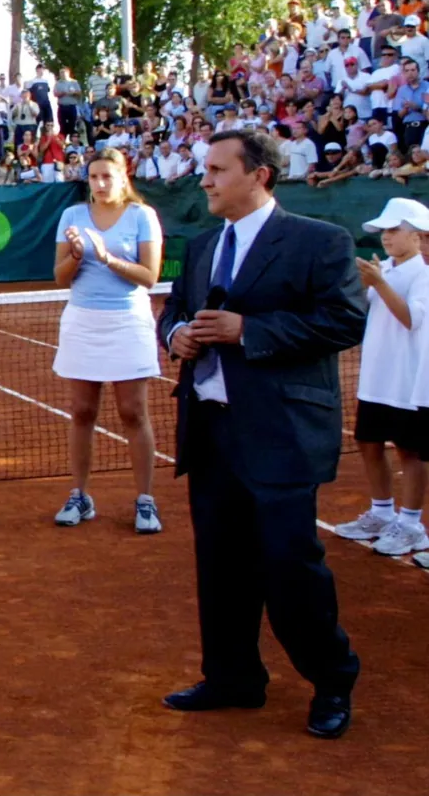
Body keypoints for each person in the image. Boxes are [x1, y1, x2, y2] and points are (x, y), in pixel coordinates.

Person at [157, 130, 363, 739]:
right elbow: (176, 309)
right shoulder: (201, 247)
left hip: (281, 434)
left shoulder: (320, 241)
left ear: (260, 176)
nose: (206, 180)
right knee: (221, 565)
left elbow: (344, 319)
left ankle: (331, 680)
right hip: (212, 430)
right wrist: (178, 337)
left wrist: (249, 329)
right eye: (205, 170)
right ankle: (233, 678)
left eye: (218, 170)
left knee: (290, 567)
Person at [52, 148, 163, 533]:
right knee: (82, 411)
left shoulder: (142, 216)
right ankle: (79, 496)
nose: (99, 184)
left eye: (107, 176)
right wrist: (79, 256)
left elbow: (150, 277)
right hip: (83, 320)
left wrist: (108, 258)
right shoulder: (72, 216)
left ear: (123, 176)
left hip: (128, 321)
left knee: (133, 411)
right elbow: (61, 277)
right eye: (93, 177)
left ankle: (145, 501)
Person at [334, 199, 429, 556]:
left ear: (417, 236)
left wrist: (378, 282)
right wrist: (366, 283)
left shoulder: (424, 274)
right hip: (376, 378)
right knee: (368, 443)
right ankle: (381, 513)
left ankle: (410, 525)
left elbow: (410, 319)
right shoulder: (384, 268)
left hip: (407, 382)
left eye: (393, 230)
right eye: (384, 231)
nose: (386, 237)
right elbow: (363, 309)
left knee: (409, 452)